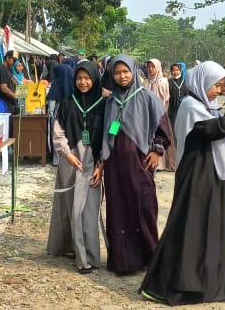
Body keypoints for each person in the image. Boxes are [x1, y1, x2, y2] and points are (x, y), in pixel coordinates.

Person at [139, 62, 225, 304]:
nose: (217, 90)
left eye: (220, 85)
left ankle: (209, 284)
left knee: (214, 226)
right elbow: (218, 128)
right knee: (191, 227)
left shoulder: (206, 105)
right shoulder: (191, 106)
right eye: (215, 85)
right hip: (196, 175)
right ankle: (177, 284)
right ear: (202, 83)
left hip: (211, 173)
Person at [101, 55, 172, 275]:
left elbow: (163, 129)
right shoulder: (111, 102)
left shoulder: (147, 98)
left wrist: (156, 151)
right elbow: (110, 130)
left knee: (144, 207)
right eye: (116, 73)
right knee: (119, 209)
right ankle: (123, 261)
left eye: (125, 72)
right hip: (115, 166)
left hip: (139, 163)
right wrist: (104, 157)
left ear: (134, 71)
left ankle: (150, 256)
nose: (121, 77)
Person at [47, 60, 106, 273]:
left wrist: (103, 162)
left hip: (93, 162)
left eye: (87, 78)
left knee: (87, 209)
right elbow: (58, 130)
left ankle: (88, 255)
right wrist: (66, 153)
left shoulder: (103, 103)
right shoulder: (67, 102)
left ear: (94, 78)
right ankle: (72, 248)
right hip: (71, 160)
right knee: (69, 205)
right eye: (79, 78)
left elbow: (112, 131)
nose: (83, 82)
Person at [46, 57, 77, 164]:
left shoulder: (56, 85)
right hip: (70, 114)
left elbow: (51, 106)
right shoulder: (73, 82)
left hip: (57, 115)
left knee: (58, 135)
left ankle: (56, 159)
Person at [143, 59, 173, 170]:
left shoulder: (163, 81)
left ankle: (161, 163)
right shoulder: (145, 82)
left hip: (160, 115)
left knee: (161, 135)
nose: (150, 69)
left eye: (153, 67)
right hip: (147, 115)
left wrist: (162, 113)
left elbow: (166, 99)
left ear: (158, 67)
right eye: (149, 67)